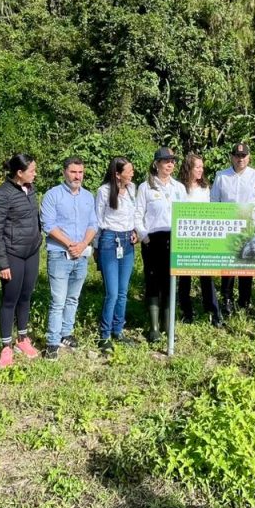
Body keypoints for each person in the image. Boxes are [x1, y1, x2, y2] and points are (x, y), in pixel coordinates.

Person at [40, 156, 98, 359]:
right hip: (59, 254)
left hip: (81, 255)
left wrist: (82, 245)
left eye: (80, 172)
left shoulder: (88, 197)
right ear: (65, 172)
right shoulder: (52, 195)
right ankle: (52, 342)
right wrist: (70, 244)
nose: (77, 176)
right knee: (58, 300)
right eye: (73, 172)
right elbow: (48, 225)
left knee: (73, 298)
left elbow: (93, 224)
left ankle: (66, 333)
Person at [0, 154, 42, 367]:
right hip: (12, 254)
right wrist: (3, 263)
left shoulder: (30, 189)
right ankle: (6, 345)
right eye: (32, 170)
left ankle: (22, 338)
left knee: (26, 296)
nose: (35, 173)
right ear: (19, 173)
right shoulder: (2, 194)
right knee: (10, 299)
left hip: (32, 252)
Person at [135, 147, 186, 343]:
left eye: (172, 161)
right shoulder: (145, 187)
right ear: (156, 163)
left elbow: (185, 214)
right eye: (166, 161)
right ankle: (154, 328)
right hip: (153, 239)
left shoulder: (178, 187)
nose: (170, 164)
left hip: (174, 239)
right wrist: (144, 236)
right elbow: (138, 214)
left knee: (170, 281)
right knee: (153, 282)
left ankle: (168, 325)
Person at [210, 142, 255, 316]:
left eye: (243, 156)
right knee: (228, 266)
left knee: (246, 264)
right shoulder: (221, 176)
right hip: (227, 226)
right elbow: (214, 202)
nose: (240, 159)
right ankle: (226, 299)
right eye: (237, 156)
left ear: (249, 157)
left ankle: (245, 301)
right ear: (231, 157)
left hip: (249, 227)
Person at [95, 156, 138, 352]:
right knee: (111, 292)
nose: (132, 173)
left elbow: (134, 214)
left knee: (123, 292)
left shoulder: (132, 189)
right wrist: (96, 247)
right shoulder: (104, 191)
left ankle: (118, 330)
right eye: (128, 171)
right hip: (109, 241)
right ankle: (104, 335)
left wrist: (135, 231)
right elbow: (97, 220)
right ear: (117, 174)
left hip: (128, 241)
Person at [177, 153, 222, 327]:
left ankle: (213, 311)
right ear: (189, 168)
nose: (201, 170)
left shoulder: (205, 187)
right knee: (185, 278)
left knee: (207, 277)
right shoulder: (179, 187)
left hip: (203, 237)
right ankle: (186, 312)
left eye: (202, 167)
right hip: (185, 238)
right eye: (197, 167)